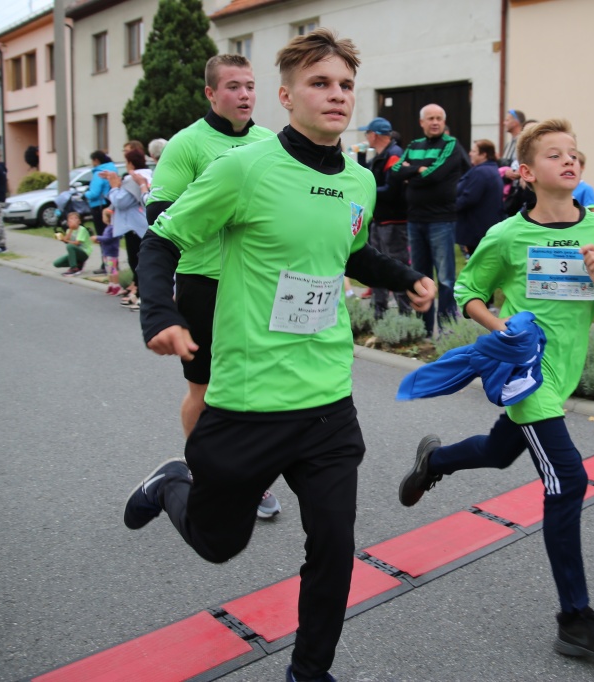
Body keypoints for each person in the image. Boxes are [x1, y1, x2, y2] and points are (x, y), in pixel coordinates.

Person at [126, 29, 436, 682]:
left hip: (327, 400)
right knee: (219, 545)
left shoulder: (359, 178)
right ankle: (172, 482)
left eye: (345, 84)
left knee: (334, 547)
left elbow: (348, 252)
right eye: (320, 83)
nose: (336, 95)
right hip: (249, 400)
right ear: (287, 96)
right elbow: (162, 239)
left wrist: (404, 277)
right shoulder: (246, 168)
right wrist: (161, 313)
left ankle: (308, 672)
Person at [398, 119, 594, 663]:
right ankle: (576, 620)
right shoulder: (507, 235)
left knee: (499, 449)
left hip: (566, 371)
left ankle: (435, 461)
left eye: (573, 153)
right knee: (568, 479)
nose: (569, 160)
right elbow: (469, 290)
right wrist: (500, 326)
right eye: (555, 155)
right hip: (528, 374)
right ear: (527, 172)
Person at [143, 53, 282, 518]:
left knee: (257, 386)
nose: (244, 95)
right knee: (204, 390)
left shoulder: (269, 142)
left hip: (256, 284)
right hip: (203, 281)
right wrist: (222, 211)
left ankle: (251, 479)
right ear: (210, 93)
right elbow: (158, 215)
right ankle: (203, 470)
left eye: (250, 86)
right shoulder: (187, 144)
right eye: (233, 86)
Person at [390, 103, 471, 336]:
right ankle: (423, 330)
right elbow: (394, 172)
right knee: (419, 277)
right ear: (421, 122)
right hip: (415, 219)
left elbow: (436, 175)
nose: (435, 122)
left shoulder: (451, 144)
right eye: (430, 118)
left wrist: (412, 171)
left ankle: (446, 331)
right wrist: (420, 170)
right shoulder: (414, 145)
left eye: (439, 118)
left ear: (443, 122)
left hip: (441, 220)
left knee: (445, 279)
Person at [357, 116, 411, 318]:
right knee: (376, 266)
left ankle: (406, 315)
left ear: (374, 135)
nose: (366, 137)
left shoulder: (394, 155)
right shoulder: (382, 155)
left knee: (396, 266)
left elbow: (392, 190)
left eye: (367, 133)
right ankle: (379, 310)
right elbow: (366, 176)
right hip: (380, 219)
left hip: (393, 221)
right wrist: (361, 156)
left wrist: (368, 191)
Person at [103, 149, 151, 304]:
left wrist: (114, 187)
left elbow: (121, 201)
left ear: (130, 163)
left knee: (136, 261)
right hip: (142, 224)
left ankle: (141, 295)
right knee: (140, 261)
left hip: (135, 227)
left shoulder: (134, 179)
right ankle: (137, 292)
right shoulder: (147, 175)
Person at [455, 138, 505, 257]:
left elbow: (469, 198)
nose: (470, 154)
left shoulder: (481, 172)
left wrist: (449, 207)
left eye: (474, 151)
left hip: (477, 229)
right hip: (485, 226)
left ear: (483, 155)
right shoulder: (491, 169)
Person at [86, 150, 118, 275]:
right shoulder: (113, 169)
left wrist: (85, 194)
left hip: (99, 206)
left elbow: (94, 193)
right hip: (110, 204)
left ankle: (105, 265)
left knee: (103, 236)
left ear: (96, 160)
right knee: (112, 235)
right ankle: (114, 264)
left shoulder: (99, 172)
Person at [92, 211, 123, 296]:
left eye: (103, 216)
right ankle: (111, 284)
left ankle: (116, 286)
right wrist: (99, 240)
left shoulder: (112, 228)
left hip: (111, 252)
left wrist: (97, 237)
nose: (102, 218)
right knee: (108, 270)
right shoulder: (108, 228)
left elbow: (108, 238)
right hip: (106, 251)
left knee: (112, 269)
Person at [53, 212, 93, 276]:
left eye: (75, 218)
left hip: (84, 252)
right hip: (75, 253)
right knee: (56, 263)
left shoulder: (81, 229)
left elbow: (77, 243)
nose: (73, 220)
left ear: (79, 221)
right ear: (68, 222)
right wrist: (71, 229)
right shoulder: (68, 230)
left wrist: (66, 240)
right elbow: (66, 240)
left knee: (70, 246)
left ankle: (74, 268)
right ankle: (78, 264)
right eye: (71, 219)